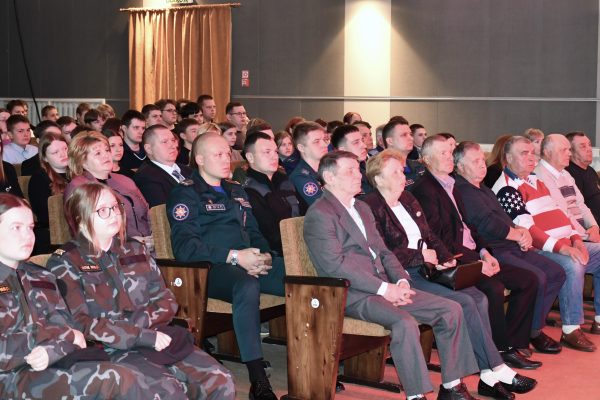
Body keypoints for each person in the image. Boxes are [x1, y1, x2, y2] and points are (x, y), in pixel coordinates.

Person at [305, 150, 490, 400]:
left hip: (385, 285)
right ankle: (416, 395)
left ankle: (452, 387)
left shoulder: (361, 207)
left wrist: (401, 279)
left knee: (450, 310)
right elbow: (335, 266)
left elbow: (383, 251)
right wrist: (385, 289)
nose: (358, 175)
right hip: (351, 292)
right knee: (404, 323)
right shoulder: (321, 214)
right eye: (350, 171)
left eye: (357, 169)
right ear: (329, 177)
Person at [360, 150, 538, 399]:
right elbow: (382, 251)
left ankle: (488, 375)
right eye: (396, 172)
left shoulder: (408, 199)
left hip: (428, 269)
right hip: (402, 274)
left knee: (479, 297)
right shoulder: (370, 206)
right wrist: (420, 256)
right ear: (378, 179)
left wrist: (446, 258)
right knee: (464, 302)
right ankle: (494, 370)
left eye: (402, 170)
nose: (403, 176)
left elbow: (430, 235)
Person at [47, 183, 235, 399]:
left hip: (158, 337)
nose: (114, 215)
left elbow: (166, 300)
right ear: (80, 218)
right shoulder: (66, 262)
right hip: (110, 348)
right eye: (103, 210)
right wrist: (138, 335)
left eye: (116, 207)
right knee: (167, 391)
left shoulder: (135, 249)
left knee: (221, 380)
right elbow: (80, 323)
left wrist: (143, 329)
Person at [0, 193, 193, 399]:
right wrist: (47, 342)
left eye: (30, 227)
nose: (28, 236)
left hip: (52, 364)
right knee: (116, 379)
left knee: (176, 379)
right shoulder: (63, 263)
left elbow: (70, 332)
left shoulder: (40, 276)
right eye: (16, 227)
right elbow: (71, 331)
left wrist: (53, 349)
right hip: (9, 377)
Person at [167, 132, 284, 400]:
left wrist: (264, 256)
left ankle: (317, 362)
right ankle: (257, 378)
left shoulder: (235, 189)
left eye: (227, 154)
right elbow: (186, 248)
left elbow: (253, 232)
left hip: (248, 262)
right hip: (211, 269)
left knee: (301, 279)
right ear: (199, 159)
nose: (226, 159)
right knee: (246, 285)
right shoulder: (186, 193)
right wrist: (235, 257)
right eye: (218, 154)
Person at [411, 135, 543, 364]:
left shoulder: (451, 185)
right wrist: (476, 260)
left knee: (528, 280)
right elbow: (439, 238)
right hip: (452, 259)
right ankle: (499, 351)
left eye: (449, 152)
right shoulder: (425, 190)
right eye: (442, 153)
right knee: (493, 288)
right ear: (427, 159)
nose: (449, 157)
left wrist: (485, 252)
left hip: (473, 253)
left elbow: (469, 226)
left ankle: (514, 342)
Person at [453, 141, 565, 356]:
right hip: (495, 249)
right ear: (460, 166)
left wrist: (520, 231)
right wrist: (517, 234)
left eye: (482, 160)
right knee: (535, 277)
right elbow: (486, 224)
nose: (482, 165)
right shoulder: (463, 190)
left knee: (556, 272)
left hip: (510, 244)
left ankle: (533, 328)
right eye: (475, 161)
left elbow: (504, 218)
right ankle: (517, 338)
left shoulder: (482, 188)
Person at [492, 136, 600, 351]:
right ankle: (571, 329)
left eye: (532, 153)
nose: (531, 158)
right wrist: (564, 248)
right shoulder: (507, 188)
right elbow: (529, 231)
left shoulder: (535, 180)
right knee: (572, 264)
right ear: (508, 158)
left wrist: (576, 240)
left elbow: (561, 214)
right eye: (524, 154)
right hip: (537, 249)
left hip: (564, 241)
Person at [65, 131, 151, 242]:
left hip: (148, 244)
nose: (106, 155)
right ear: (82, 161)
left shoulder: (125, 180)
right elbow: (88, 232)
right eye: (98, 153)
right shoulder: (79, 187)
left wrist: (156, 237)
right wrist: (130, 242)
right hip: (113, 249)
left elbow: (147, 213)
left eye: (107, 150)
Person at [242, 132, 302, 254]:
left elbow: (305, 212)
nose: (274, 157)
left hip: (304, 240)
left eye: (275, 152)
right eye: (267, 152)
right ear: (250, 157)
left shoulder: (284, 180)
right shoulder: (249, 190)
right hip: (282, 252)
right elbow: (271, 235)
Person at [536, 134, 600, 242]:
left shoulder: (565, 174)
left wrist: (594, 226)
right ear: (547, 152)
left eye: (569, 149)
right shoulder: (540, 175)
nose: (569, 153)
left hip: (584, 234)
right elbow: (563, 212)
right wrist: (587, 236)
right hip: (568, 239)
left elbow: (581, 204)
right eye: (563, 150)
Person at [28, 132, 69, 254]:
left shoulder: (80, 173)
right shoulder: (39, 178)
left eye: (65, 149)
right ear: (45, 158)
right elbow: (45, 216)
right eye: (55, 152)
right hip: (51, 236)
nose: (63, 154)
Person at [134, 125, 193, 207]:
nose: (173, 145)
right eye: (164, 142)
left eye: (173, 140)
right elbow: (162, 211)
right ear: (149, 149)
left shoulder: (188, 170)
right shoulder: (146, 177)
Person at [289, 122, 329, 207]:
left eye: (324, 140)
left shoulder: (329, 167)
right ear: (301, 148)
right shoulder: (300, 177)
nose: (324, 144)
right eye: (316, 141)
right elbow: (324, 207)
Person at [565, 131, 600, 224]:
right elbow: (576, 208)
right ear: (570, 151)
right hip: (591, 226)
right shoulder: (569, 174)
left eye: (589, 145)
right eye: (583, 146)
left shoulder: (591, 171)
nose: (589, 149)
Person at [382, 117, 426, 189]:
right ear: (390, 141)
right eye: (404, 135)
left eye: (410, 134)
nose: (411, 138)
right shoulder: (382, 170)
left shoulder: (419, 165)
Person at [331, 124, 372, 194]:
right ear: (342, 150)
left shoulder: (364, 168)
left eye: (362, 140)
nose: (364, 145)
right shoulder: (340, 180)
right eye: (356, 143)